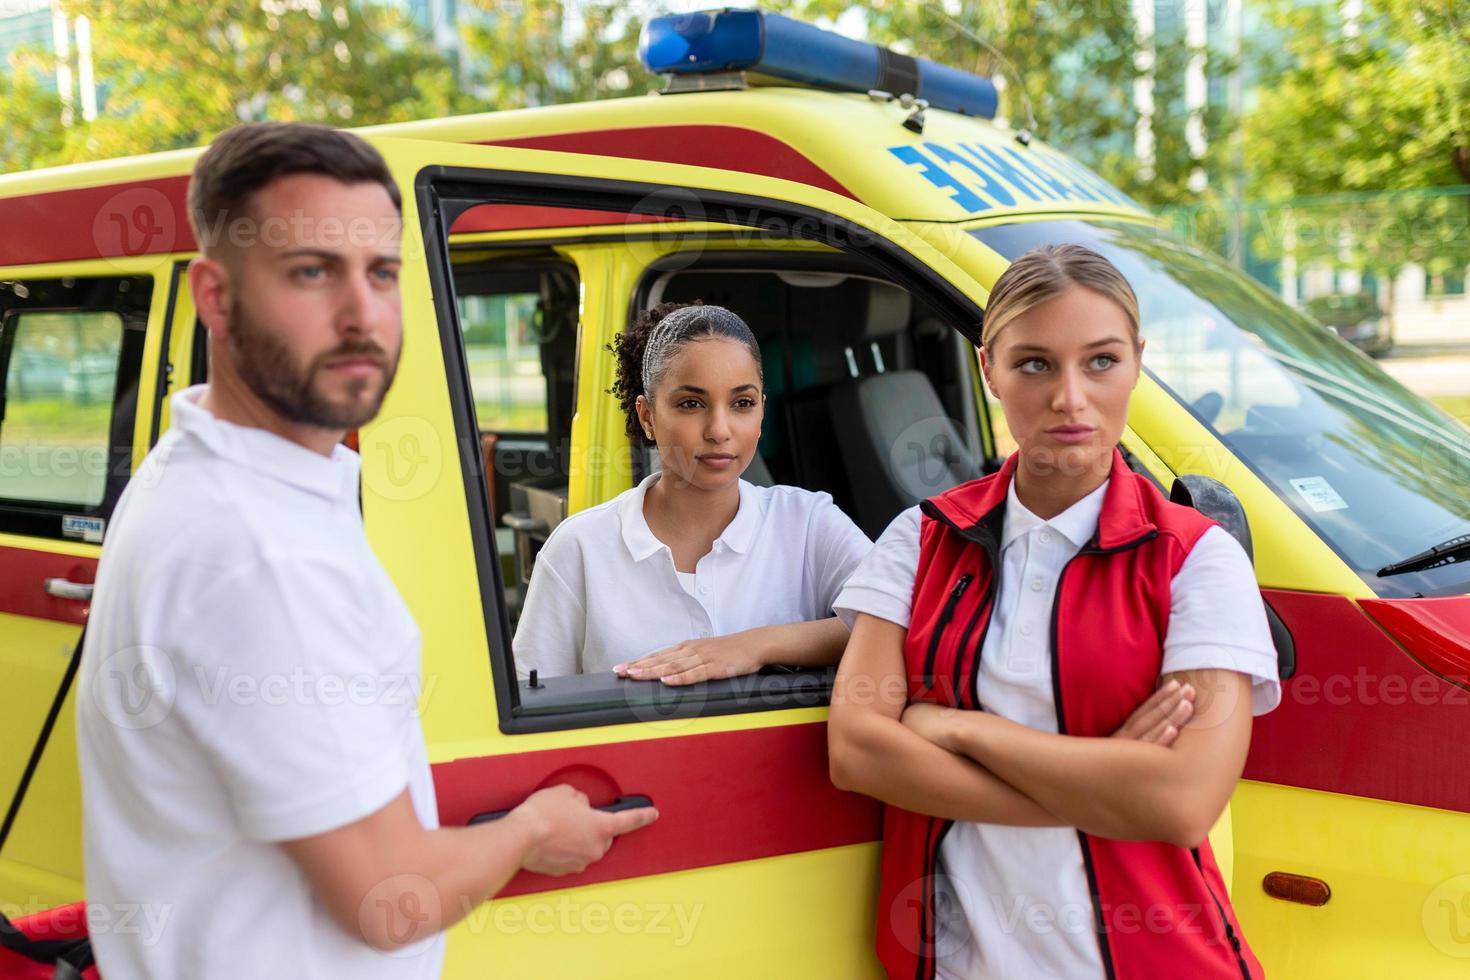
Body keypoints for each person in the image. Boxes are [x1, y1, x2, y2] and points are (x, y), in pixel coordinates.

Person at [75, 121, 656, 980]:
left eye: (381, 272)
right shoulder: (259, 552)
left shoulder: (203, 469)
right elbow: (390, 898)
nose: (360, 314)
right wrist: (534, 828)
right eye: (312, 271)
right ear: (215, 296)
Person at [827, 244, 1280, 979]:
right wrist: (1107, 787)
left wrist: (955, 727)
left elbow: (1182, 800)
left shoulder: (1196, 559)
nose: (1070, 398)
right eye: (1035, 364)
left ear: (1137, 360)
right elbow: (857, 751)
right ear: (989, 370)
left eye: (1100, 361)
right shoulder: (921, 537)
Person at [512, 301, 872, 684]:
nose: (719, 429)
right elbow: (531, 702)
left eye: (742, 403)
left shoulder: (807, 523)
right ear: (647, 416)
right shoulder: (579, 547)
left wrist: (754, 646)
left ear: (762, 412)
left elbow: (903, 618)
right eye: (691, 404)